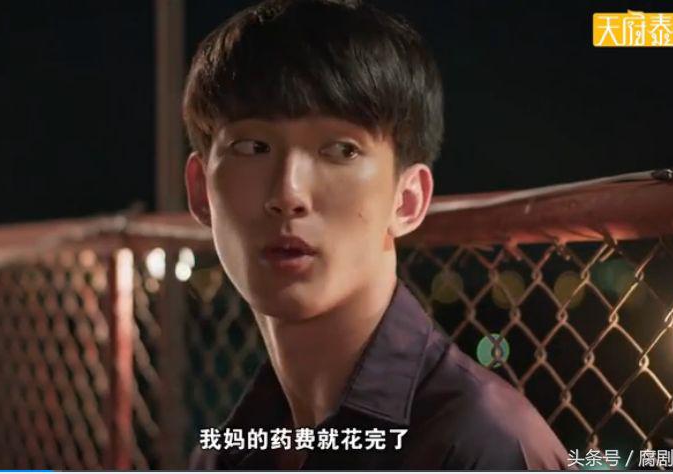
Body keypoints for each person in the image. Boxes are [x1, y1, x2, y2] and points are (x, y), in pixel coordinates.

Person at [181, 0, 570, 469]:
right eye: (253, 146)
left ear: (407, 201)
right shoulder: (231, 449)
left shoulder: (480, 446)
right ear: (201, 191)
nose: (288, 194)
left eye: (341, 150)